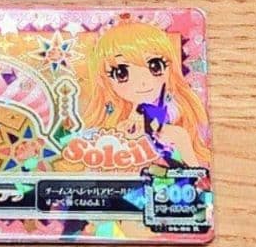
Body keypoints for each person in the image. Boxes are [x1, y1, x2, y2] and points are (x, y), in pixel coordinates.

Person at [82, 20, 211, 167]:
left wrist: (178, 138)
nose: (142, 82)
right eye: (121, 73)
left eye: (155, 66)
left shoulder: (179, 124)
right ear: (106, 80)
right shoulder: (107, 128)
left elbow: (196, 174)